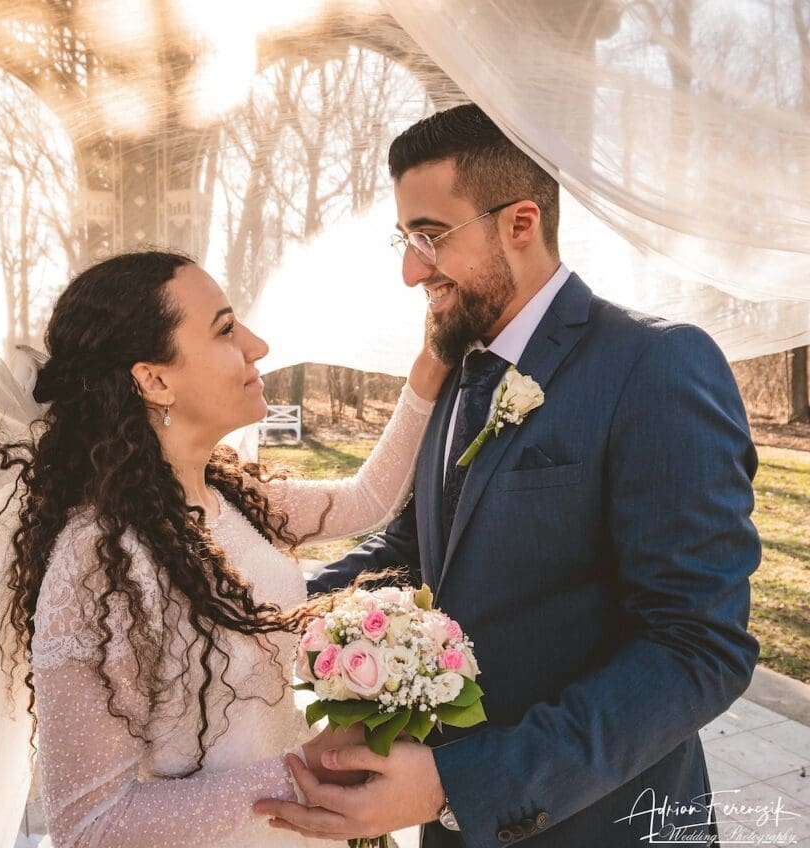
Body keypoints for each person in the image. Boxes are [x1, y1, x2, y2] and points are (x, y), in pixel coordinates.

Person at [255, 104, 761, 847]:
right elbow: (413, 554)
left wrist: (464, 783)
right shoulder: (458, 369)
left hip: (601, 822)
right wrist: (250, 607)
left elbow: (697, 648)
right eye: (404, 240)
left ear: (521, 224)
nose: (409, 270)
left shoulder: (656, 366)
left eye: (429, 236)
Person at [0, 249, 448, 848]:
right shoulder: (97, 564)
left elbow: (367, 499)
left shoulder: (229, 497)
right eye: (226, 329)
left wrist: (430, 365)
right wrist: (300, 773)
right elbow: (89, 827)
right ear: (154, 379)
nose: (257, 345)